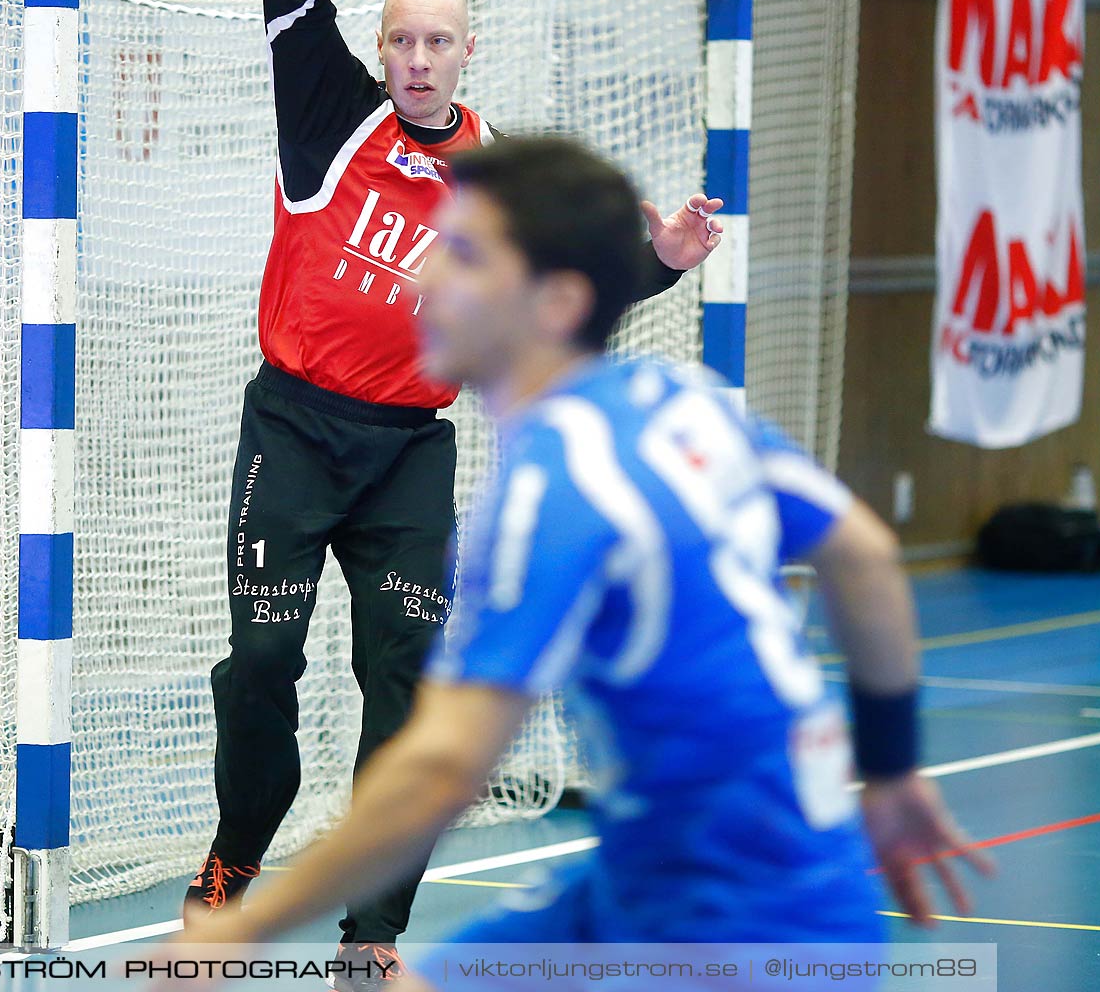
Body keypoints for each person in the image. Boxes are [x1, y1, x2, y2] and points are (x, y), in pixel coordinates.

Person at [176, 136, 993, 983]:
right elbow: (862, 553)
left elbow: (443, 767)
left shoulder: (555, 488)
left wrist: (246, 926)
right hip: (656, 872)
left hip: (734, 911)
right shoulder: (681, 402)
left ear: (556, 302)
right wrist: (892, 770)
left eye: (461, 256)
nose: (421, 281)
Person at [187, 0, 727, 976]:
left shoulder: (498, 178)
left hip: (405, 454)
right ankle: (237, 851)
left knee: (406, 688)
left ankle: (371, 934)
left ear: (468, 53)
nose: (420, 58)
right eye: (404, 40)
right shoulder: (331, 124)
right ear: (381, 52)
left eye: (440, 41)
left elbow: (567, 306)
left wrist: (668, 260)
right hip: (291, 429)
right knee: (261, 665)